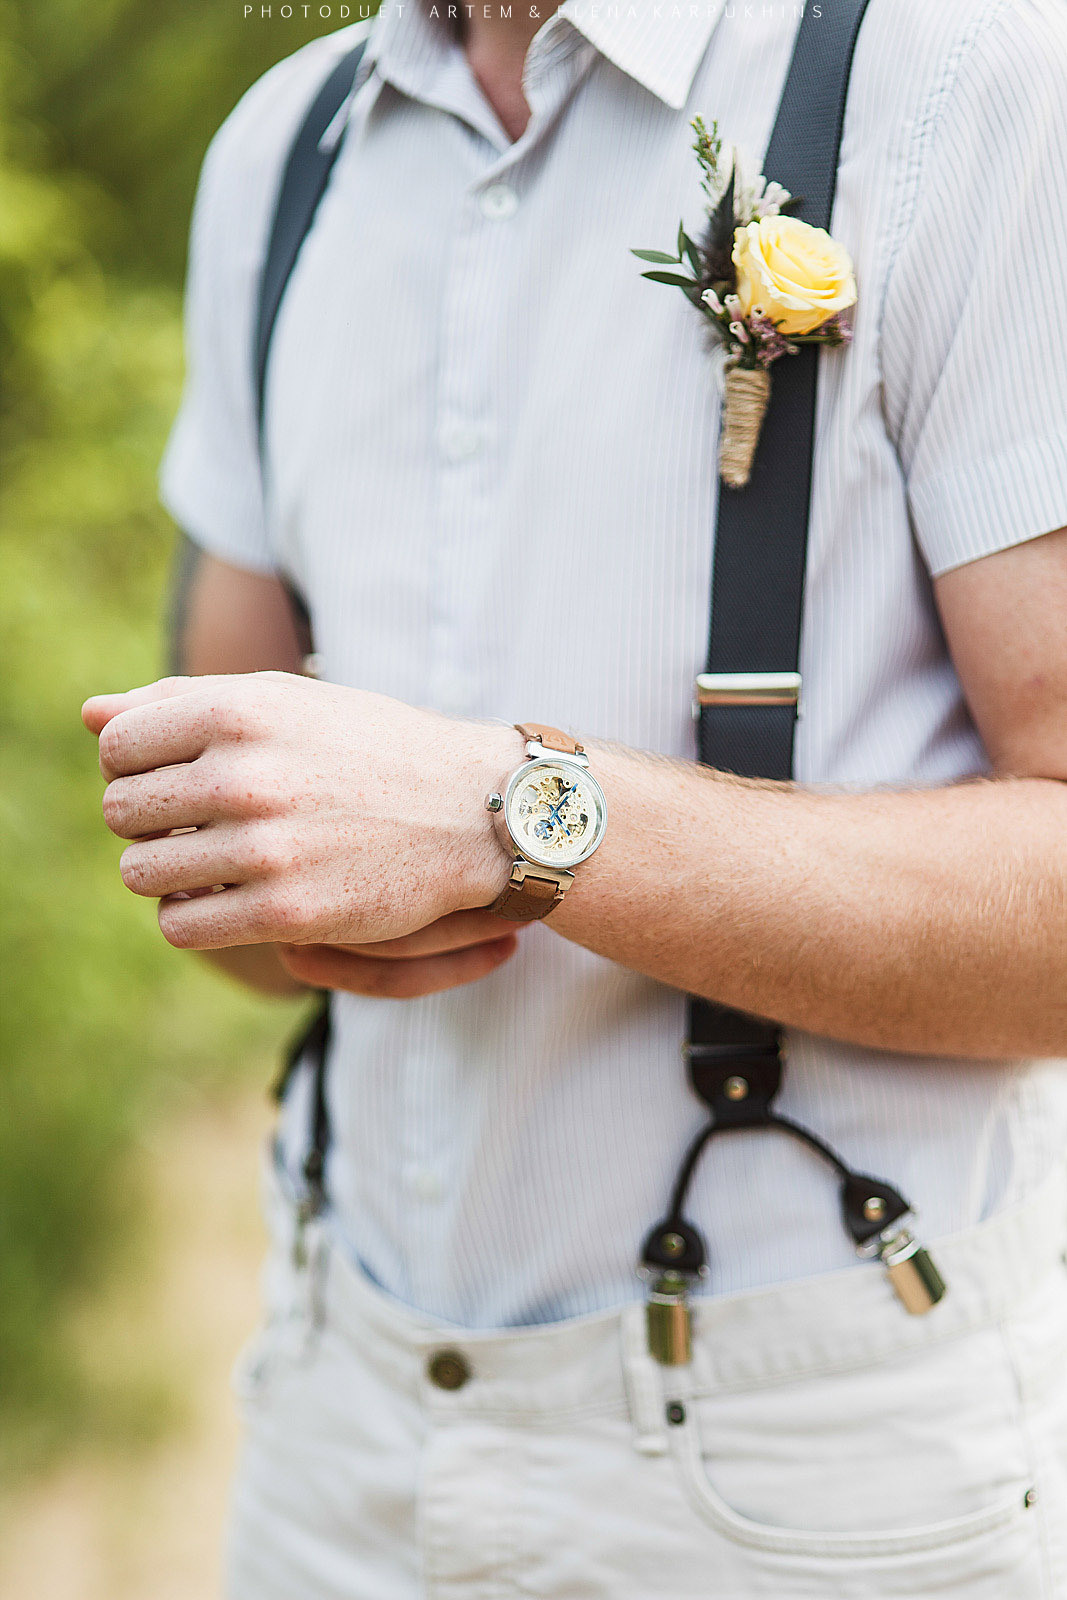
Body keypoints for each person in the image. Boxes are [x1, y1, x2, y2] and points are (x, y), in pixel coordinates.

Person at [82, 0, 1067, 1594]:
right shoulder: (284, 147)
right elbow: (220, 875)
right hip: (335, 1421)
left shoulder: (978, 84)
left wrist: (512, 812)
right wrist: (272, 881)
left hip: (816, 1461)